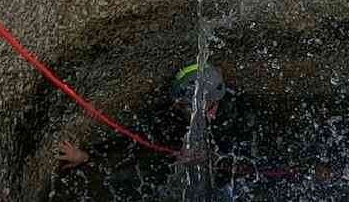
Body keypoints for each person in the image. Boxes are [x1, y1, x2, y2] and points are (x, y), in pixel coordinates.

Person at [53, 62, 228, 170]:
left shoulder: (234, 115)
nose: (176, 106)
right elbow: (132, 141)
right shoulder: (170, 120)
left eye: (183, 106)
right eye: (179, 103)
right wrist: (87, 156)